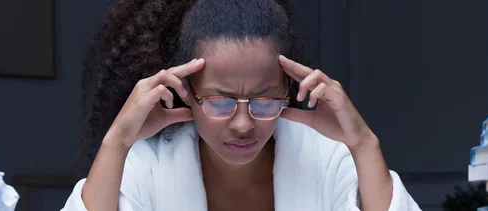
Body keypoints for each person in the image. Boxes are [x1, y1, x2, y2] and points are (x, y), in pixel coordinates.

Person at [63, 0, 421, 210]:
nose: (243, 124)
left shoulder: (326, 158)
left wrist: (363, 143)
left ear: (288, 90)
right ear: (186, 90)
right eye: (220, 101)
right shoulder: (148, 164)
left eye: (265, 100)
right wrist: (117, 142)